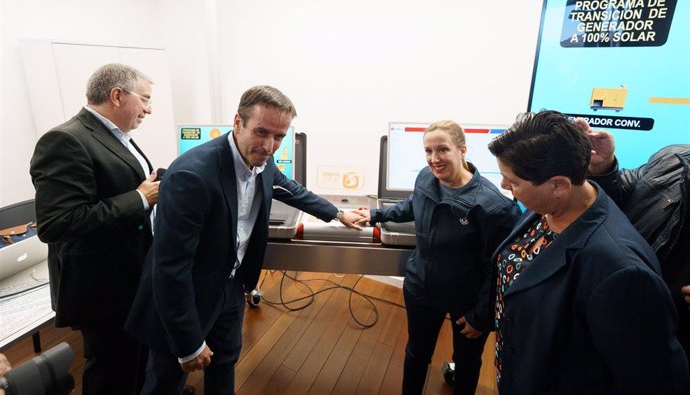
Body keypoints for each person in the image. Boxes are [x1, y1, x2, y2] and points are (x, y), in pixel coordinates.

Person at [126, 85, 362, 395]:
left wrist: (336, 213)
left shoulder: (263, 161)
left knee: (224, 364)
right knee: (165, 383)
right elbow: (170, 270)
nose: (269, 146)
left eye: (279, 137)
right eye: (261, 132)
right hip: (186, 297)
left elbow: (289, 187)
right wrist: (188, 344)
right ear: (238, 122)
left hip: (229, 287)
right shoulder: (192, 176)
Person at [488, 110, 689, 394]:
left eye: (513, 181)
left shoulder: (621, 273)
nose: (504, 185)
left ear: (559, 185)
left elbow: (655, 380)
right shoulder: (549, 207)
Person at [352, 120, 521, 395]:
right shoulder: (426, 177)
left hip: (465, 300)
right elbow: (413, 204)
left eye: (442, 150)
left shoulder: (493, 206)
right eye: (428, 151)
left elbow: (497, 267)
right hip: (421, 289)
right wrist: (375, 215)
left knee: (467, 361)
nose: (434, 159)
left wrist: (481, 316)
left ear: (462, 150)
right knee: (416, 353)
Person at [29, 63, 159, 395]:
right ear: (117, 95)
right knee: (111, 375)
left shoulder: (119, 137)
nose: (149, 108)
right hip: (104, 290)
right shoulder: (65, 140)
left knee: (133, 367)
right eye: (144, 99)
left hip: (131, 279)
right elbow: (59, 223)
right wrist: (139, 199)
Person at [576, 118, 690, 365]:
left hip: (674, 341)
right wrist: (603, 167)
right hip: (620, 316)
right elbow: (619, 197)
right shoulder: (673, 157)